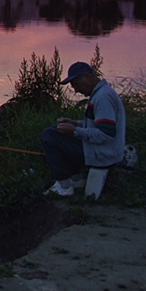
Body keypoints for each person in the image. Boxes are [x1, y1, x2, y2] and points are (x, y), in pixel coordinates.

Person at [42, 61, 126, 197]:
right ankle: (76, 179)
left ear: (86, 77)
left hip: (103, 154)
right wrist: (74, 123)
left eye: (75, 84)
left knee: (49, 136)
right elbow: (97, 125)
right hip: (103, 150)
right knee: (55, 130)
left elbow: (106, 134)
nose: (75, 90)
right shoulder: (101, 93)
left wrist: (74, 131)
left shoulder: (103, 97)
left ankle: (64, 186)